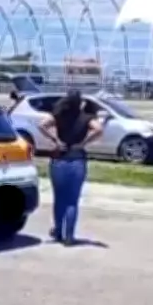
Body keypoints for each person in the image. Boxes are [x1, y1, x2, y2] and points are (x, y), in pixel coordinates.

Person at [38, 90, 104, 245]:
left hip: (59, 159)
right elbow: (99, 129)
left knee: (59, 198)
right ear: (80, 102)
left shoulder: (59, 115)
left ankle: (58, 231)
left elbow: (42, 125)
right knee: (72, 201)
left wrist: (55, 139)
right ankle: (69, 236)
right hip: (77, 159)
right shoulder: (85, 117)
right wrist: (84, 143)